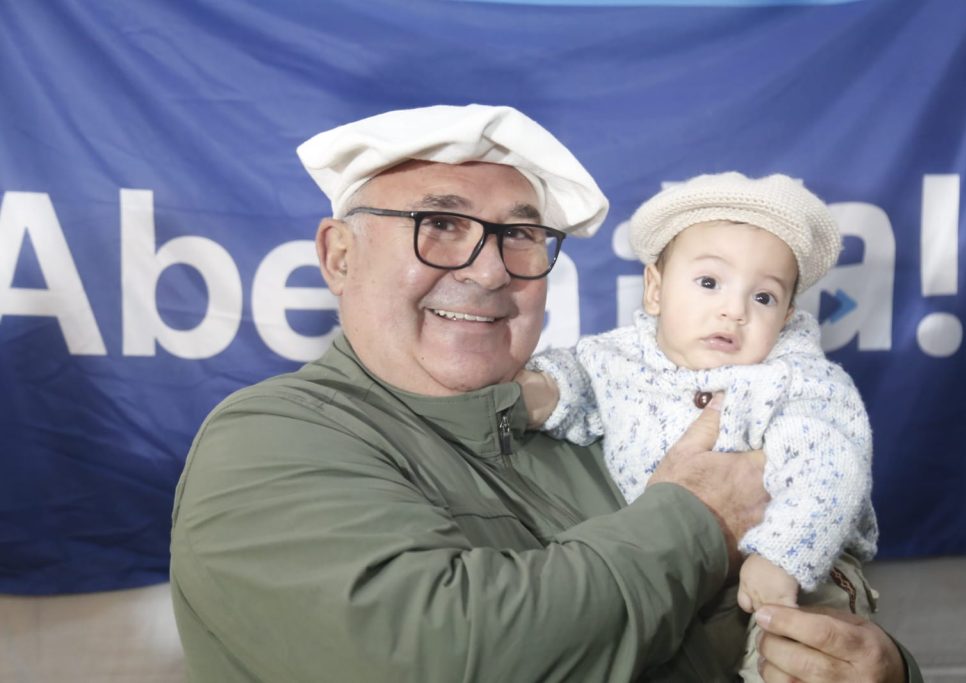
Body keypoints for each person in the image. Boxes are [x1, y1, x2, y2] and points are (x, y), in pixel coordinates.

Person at [169, 104, 921, 682]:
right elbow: (443, 655)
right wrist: (697, 519)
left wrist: (879, 668)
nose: (489, 270)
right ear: (339, 256)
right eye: (439, 223)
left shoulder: (598, 428)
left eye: (520, 236)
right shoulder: (266, 440)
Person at [516, 172, 878, 680]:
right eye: (709, 283)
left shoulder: (796, 382)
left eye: (764, 298)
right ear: (655, 290)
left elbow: (831, 470)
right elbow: (580, 375)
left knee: (800, 654)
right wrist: (545, 390)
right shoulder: (620, 358)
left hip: (800, 566)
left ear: (786, 316)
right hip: (683, 572)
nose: (734, 310)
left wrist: (782, 557)